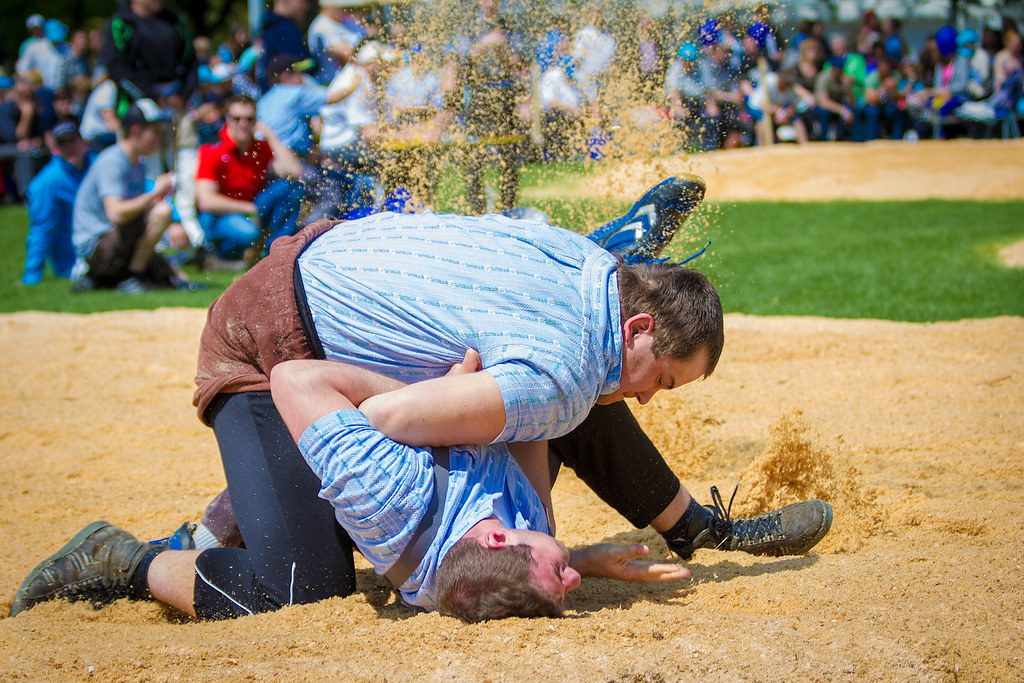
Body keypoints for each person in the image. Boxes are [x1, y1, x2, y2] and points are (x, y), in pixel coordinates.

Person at [9, 180, 831, 623]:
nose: (652, 399)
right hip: (270, 346)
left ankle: (694, 526)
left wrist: (498, 430)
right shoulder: (554, 372)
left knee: (566, 390)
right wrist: (456, 403)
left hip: (331, 298)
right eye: (664, 377)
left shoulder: (586, 269)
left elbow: (557, 397)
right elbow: (379, 420)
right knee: (298, 587)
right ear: (641, 320)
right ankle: (126, 558)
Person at [10, 353, 692, 623]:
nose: (569, 573)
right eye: (565, 577)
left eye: (558, 573)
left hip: (263, 375)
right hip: (333, 372)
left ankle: (122, 559)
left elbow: (295, 380)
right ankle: (226, 522)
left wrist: (427, 405)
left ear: (491, 541)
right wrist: (586, 556)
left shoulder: (393, 495)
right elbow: (534, 415)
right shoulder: (519, 531)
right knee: (556, 398)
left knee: (299, 590)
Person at [69, 99, 191, 293]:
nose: (159, 138)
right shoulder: (113, 161)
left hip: (114, 241)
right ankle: (130, 278)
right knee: (162, 211)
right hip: (97, 249)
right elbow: (116, 214)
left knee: (170, 278)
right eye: (154, 132)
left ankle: (104, 281)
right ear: (135, 131)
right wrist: (155, 193)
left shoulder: (137, 164)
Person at [195, 93, 306, 263]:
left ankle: (278, 253)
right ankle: (219, 255)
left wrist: (269, 134)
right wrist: (249, 209)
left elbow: (295, 171)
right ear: (227, 119)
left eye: (249, 119)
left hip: (254, 208)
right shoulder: (213, 149)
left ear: (256, 121)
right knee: (248, 233)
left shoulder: (259, 147)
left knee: (291, 187)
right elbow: (206, 201)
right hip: (222, 214)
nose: (243, 124)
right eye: (237, 119)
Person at [20, 123, 91, 286]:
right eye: (63, 144)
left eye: (72, 141)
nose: (69, 148)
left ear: (83, 143)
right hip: (71, 261)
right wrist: (31, 277)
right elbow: (40, 229)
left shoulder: (96, 165)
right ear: (56, 149)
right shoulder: (47, 182)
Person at [99, 0, 198, 114]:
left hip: (178, 98)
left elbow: (191, 62)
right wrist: (153, 97)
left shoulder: (176, 21)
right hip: (139, 102)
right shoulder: (121, 24)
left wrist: (183, 95)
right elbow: (116, 68)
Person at [258, 0, 313, 91]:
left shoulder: (269, 28)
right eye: (302, 1)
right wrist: (316, 63)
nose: (306, 6)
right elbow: (308, 66)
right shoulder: (284, 30)